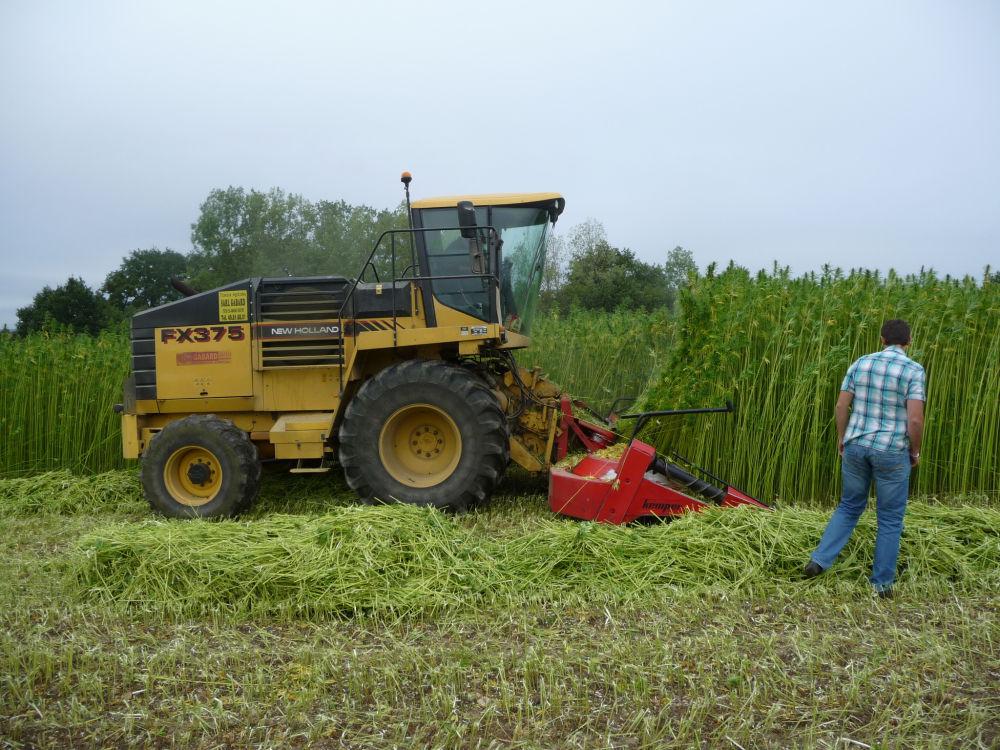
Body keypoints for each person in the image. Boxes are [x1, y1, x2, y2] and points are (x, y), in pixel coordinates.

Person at [804, 319, 926, 598]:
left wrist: (842, 437)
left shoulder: (860, 363)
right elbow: (915, 419)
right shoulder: (913, 370)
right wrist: (914, 451)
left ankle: (819, 561)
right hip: (892, 451)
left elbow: (841, 405)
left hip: (856, 445)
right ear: (908, 342)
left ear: (881, 339)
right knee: (890, 518)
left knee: (849, 506)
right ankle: (881, 585)